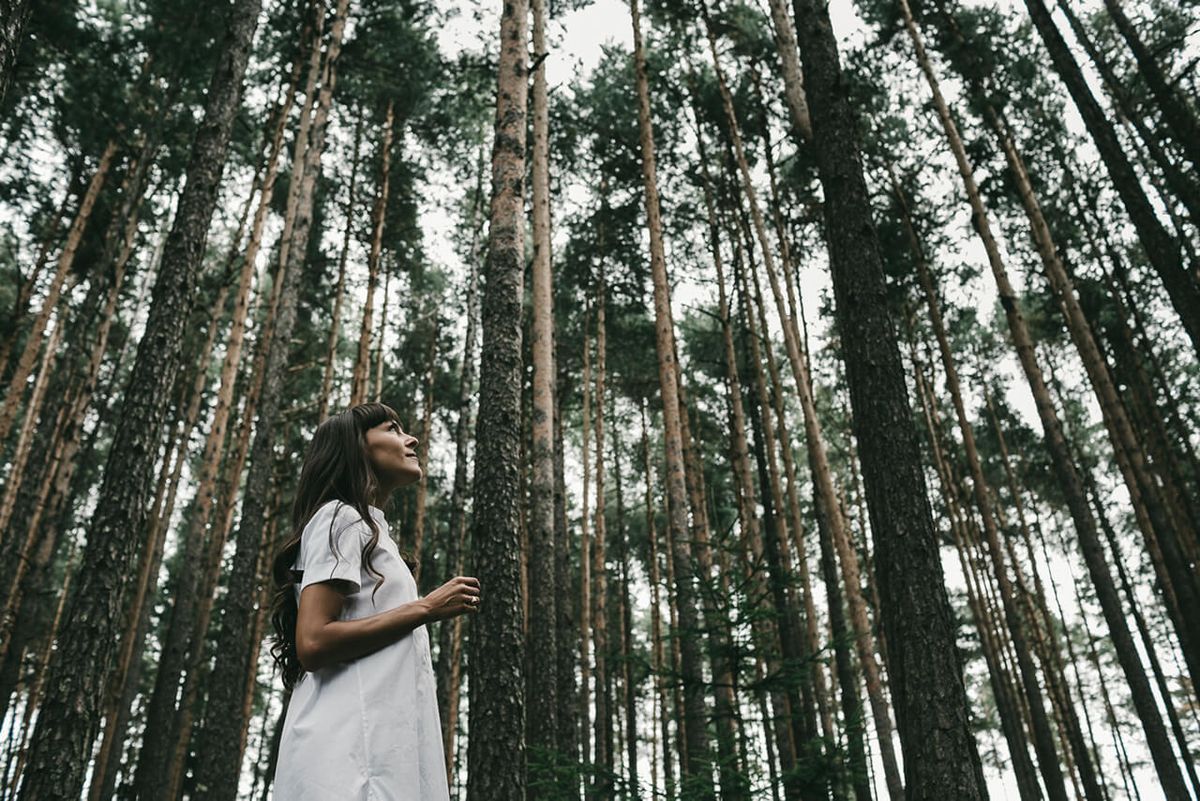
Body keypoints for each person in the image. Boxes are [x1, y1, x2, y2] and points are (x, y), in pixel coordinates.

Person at [269, 402, 480, 800]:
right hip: (346, 761)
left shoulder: (371, 531)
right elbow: (313, 642)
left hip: (381, 752)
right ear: (357, 447)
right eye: (393, 428)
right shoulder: (340, 518)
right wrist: (426, 608)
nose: (412, 438)